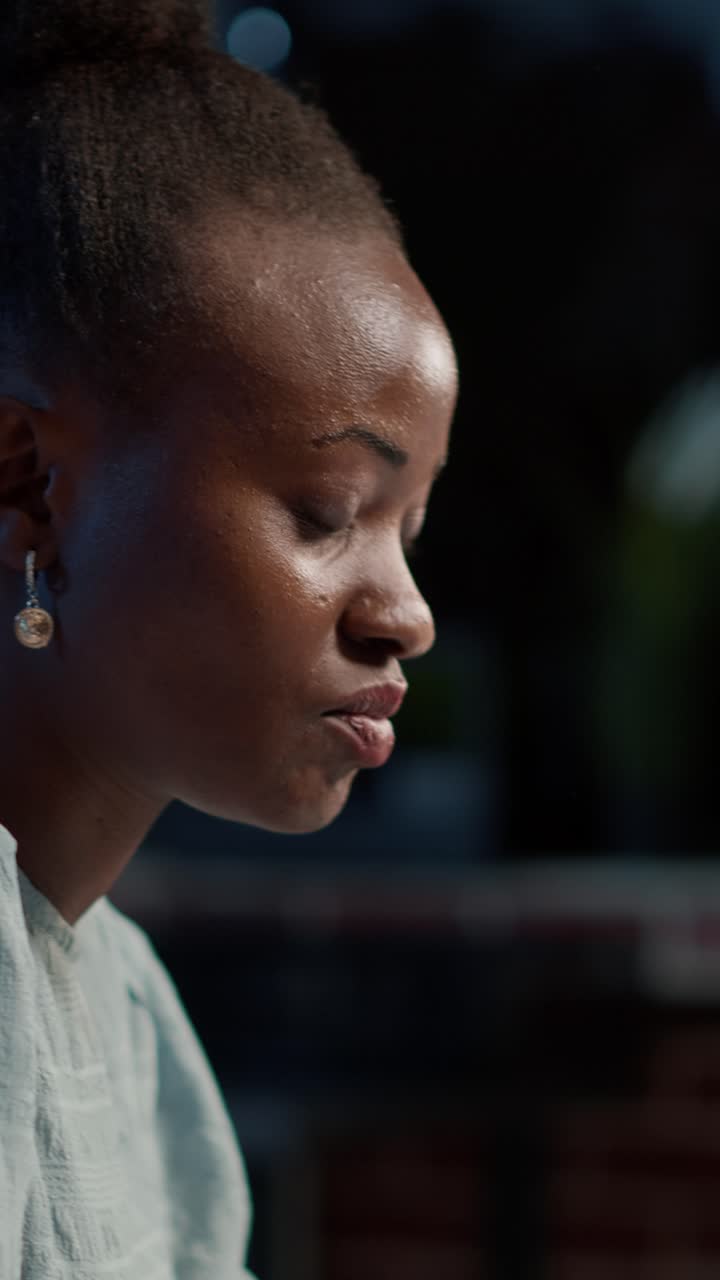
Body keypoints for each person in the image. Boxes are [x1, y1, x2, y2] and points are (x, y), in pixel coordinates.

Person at [0, 0, 457, 1276]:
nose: (405, 610)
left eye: (409, 525)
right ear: (27, 483)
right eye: (328, 513)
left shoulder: (131, 1016)